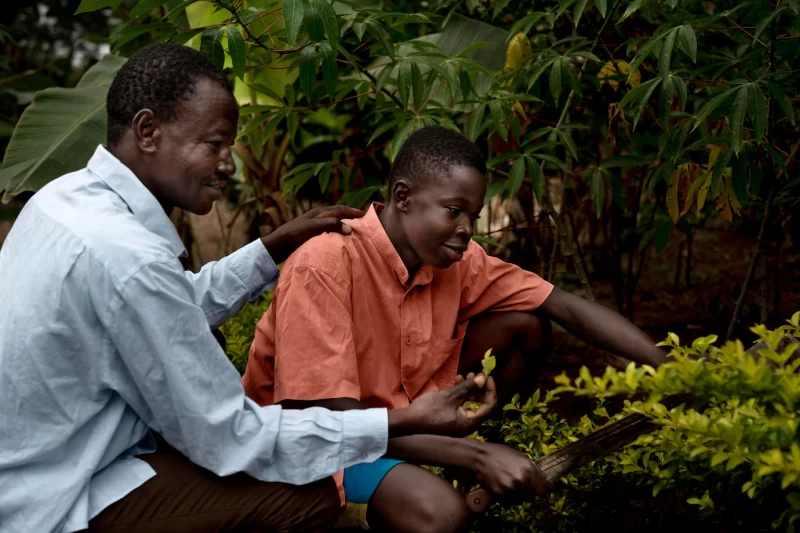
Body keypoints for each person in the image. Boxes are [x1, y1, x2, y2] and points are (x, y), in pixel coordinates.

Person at [0, 46, 498, 533]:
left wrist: (269, 249)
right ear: (148, 131)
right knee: (303, 496)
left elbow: (163, 307)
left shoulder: (62, 199)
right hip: (58, 493)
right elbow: (230, 436)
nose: (228, 166)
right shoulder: (130, 257)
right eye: (214, 145)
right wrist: (401, 421)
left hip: (31, 463)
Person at [242, 125, 670, 532]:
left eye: (473, 214)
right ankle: (393, 493)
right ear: (403, 197)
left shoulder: (455, 260)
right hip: (322, 443)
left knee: (526, 324)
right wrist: (476, 457)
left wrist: (677, 368)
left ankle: (455, 460)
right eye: (454, 211)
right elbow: (336, 424)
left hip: (402, 415)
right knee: (441, 516)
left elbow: (563, 306)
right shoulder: (326, 264)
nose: (467, 229)